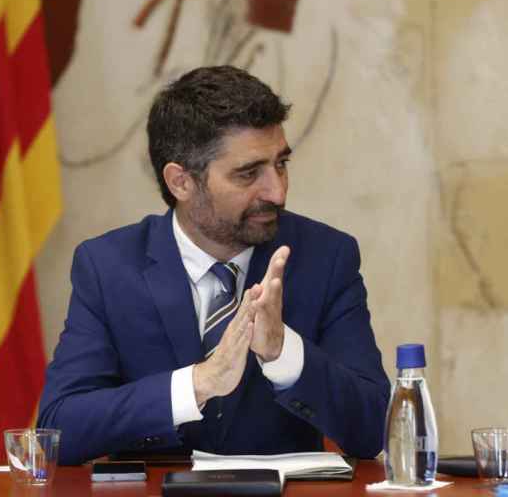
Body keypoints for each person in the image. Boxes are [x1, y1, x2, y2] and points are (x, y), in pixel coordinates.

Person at [38, 66, 390, 465]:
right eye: (248, 173)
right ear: (181, 182)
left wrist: (284, 354)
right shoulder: (109, 266)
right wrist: (197, 384)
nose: (277, 190)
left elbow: (371, 430)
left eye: (281, 164)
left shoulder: (325, 257)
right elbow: (59, 431)